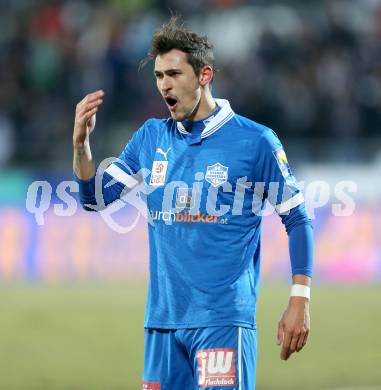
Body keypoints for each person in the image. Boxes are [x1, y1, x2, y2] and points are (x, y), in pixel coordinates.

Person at [73, 16, 313, 390]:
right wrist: (81, 146)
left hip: (221, 321)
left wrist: (300, 299)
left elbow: (297, 218)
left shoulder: (255, 142)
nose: (164, 85)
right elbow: (94, 199)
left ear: (204, 75)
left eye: (174, 74)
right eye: (158, 76)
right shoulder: (150, 137)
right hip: (162, 323)